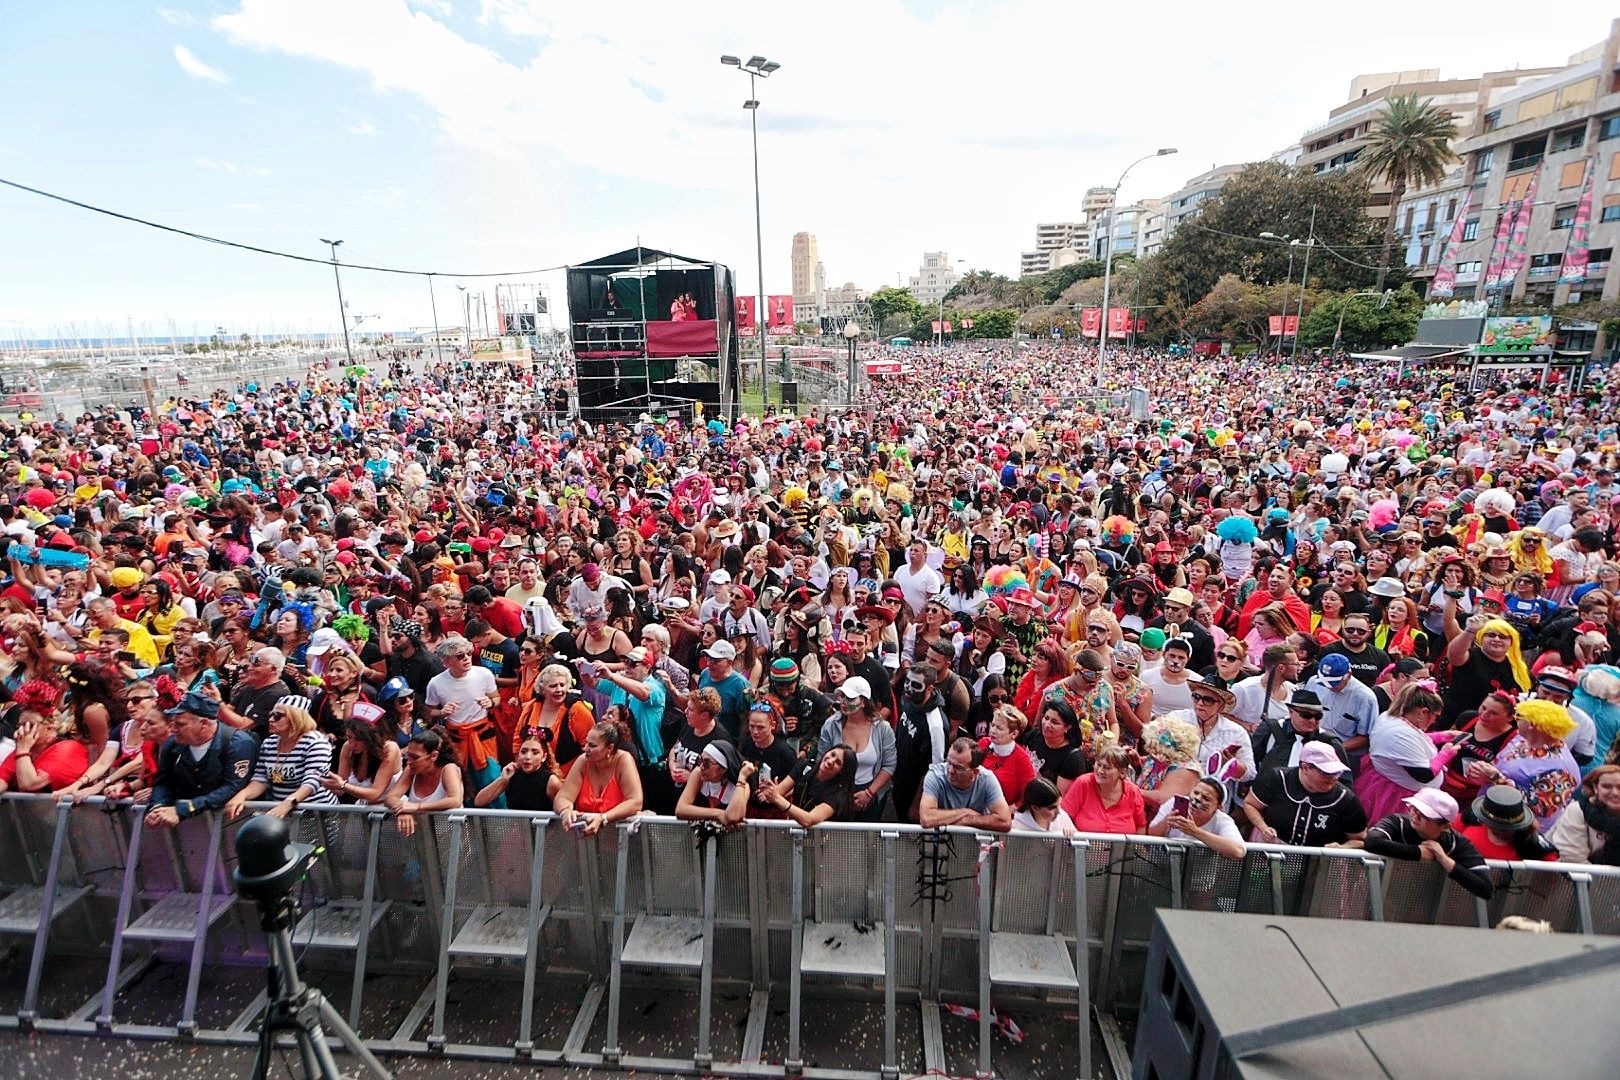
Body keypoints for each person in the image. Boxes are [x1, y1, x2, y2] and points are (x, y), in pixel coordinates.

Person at [145, 690, 257, 828]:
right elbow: (163, 781)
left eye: (180, 724)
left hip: (231, 824)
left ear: (203, 723)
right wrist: (157, 807)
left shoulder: (237, 743)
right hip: (186, 828)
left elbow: (232, 787)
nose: (173, 729)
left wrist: (184, 810)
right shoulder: (172, 743)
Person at [1362, 788, 1494, 900]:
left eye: (1424, 815)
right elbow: (1372, 842)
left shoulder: (1456, 842)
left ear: (1445, 826)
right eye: (1413, 809)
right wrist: (1418, 852)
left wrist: (1445, 860)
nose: (1415, 816)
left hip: (1423, 900)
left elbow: (1486, 889)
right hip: (1380, 892)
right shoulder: (1398, 822)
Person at [225, 696, 338, 821]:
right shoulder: (270, 742)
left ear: (295, 718)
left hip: (317, 815)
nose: (271, 719)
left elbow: (312, 781)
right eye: (271, 715)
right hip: (282, 812)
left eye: (278, 716)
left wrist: (288, 803)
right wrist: (242, 795)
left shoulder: (315, 742)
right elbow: (261, 779)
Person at [1243, 742, 1368, 847]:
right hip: (1270, 853)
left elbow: (1360, 839)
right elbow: (1250, 804)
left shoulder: (1346, 799)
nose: (1333, 778)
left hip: (1318, 864)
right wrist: (1262, 827)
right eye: (1326, 773)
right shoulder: (1277, 778)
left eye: (1336, 773)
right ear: (1305, 767)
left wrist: (1342, 848)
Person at [1354, 684, 1446, 823]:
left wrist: (1442, 736)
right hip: (1396, 796)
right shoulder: (1400, 734)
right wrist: (1446, 753)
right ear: (1423, 712)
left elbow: (1415, 740)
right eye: (1435, 716)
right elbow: (1424, 775)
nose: (1435, 721)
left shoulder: (1391, 717)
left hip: (1391, 784)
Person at [424, 636, 502, 800]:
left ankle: (498, 822)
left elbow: (496, 698)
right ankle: (468, 822)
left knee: (492, 781)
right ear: (446, 662)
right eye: (460, 656)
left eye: (468, 653)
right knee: (464, 784)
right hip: (456, 739)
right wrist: (442, 712)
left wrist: (490, 702)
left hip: (483, 737)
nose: (466, 658)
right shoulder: (435, 683)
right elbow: (428, 712)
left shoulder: (484, 674)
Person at [1493, 698, 1582, 832]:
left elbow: (1542, 808)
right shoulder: (1523, 739)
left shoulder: (1563, 769)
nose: (1516, 720)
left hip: (1517, 832)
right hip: (1493, 813)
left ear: (1532, 724)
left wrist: (1495, 779)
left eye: (1520, 716)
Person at [817, 676, 897, 821]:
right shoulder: (831, 725)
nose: (844, 702)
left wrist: (869, 793)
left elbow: (889, 765)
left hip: (870, 792)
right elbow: (821, 758)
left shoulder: (882, 729)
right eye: (842, 696)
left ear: (863, 702)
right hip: (835, 791)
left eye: (850, 698)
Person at [554, 721, 645, 835]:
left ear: (610, 748)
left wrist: (603, 818)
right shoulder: (583, 761)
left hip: (621, 838)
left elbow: (635, 801)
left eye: (592, 745)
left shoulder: (624, 760)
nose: (585, 749)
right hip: (586, 840)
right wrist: (565, 811)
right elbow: (562, 797)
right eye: (586, 743)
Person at [918, 737, 1013, 832]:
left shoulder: (986, 779)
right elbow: (927, 818)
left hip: (972, 843)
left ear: (974, 772)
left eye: (958, 767)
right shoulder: (935, 775)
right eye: (949, 762)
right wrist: (964, 812)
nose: (950, 770)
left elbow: (1005, 821)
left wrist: (968, 820)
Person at [384, 727, 466, 837]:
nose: (409, 762)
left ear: (433, 756)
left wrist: (417, 807)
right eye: (408, 756)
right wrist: (402, 810)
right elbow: (391, 797)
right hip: (422, 840)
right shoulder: (411, 770)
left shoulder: (449, 769)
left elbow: (455, 800)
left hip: (451, 839)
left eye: (415, 757)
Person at [1252, 687, 1351, 778]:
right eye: (1306, 715)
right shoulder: (1270, 730)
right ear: (1291, 711)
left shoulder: (1329, 742)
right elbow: (1252, 761)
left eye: (1318, 716)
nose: (1312, 721)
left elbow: (1344, 779)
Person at [757, 743, 857, 827]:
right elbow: (778, 792)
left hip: (822, 839)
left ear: (841, 771)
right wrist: (769, 790)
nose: (830, 761)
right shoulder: (806, 765)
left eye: (838, 762)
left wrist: (776, 798)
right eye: (832, 754)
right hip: (795, 829)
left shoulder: (838, 794)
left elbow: (808, 820)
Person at [1148, 776, 1246, 859]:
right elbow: (1151, 834)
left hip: (1198, 878)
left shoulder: (1222, 820)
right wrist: (1166, 822)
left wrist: (1195, 831)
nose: (1198, 799)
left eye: (1206, 798)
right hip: (1160, 869)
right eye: (1196, 793)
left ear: (1218, 807)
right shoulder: (1174, 803)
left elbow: (1238, 851)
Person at [1059, 742, 1145, 834]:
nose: (1100, 771)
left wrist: (1135, 847)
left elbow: (1141, 826)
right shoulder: (1083, 783)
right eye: (1098, 764)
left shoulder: (1133, 792)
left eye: (1107, 768)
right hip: (1084, 847)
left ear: (1122, 772)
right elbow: (1063, 816)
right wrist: (1070, 829)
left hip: (1122, 848)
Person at [1458, 785, 1558, 861]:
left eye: (1505, 827)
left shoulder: (1534, 846)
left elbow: (1551, 879)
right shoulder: (1470, 818)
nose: (1501, 830)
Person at [1547, 764, 1620, 864]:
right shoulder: (1577, 810)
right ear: (1595, 788)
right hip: (1561, 875)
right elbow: (1573, 860)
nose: (1615, 793)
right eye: (1606, 786)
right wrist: (1607, 879)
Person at [323, 715, 403, 805]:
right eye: (349, 737)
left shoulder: (389, 749)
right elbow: (340, 790)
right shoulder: (347, 747)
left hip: (391, 809)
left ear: (371, 737)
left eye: (358, 739)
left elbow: (375, 793)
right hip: (362, 808)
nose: (352, 744)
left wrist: (342, 785)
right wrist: (327, 782)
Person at [476, 729, 560, 811]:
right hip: (516, 824)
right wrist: (503, 779)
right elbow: (479, 801)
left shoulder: (551, 781)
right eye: (523, 752)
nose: (527, 757)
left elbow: (561, 811)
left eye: (535, 752)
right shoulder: (512, 775)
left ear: (544, 757)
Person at [676, 739, 752, 829]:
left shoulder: (741, 785)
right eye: (700, 760)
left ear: (723, 769)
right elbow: (680, 809)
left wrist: (742, 777)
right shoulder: (698, 773)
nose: (701, 766)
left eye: (707, 763)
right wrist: (719, 814)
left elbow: (733, 816)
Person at [1018, 698, 1087, 795]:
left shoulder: (1073, 759)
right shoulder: (1034, 735)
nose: (1047, 724)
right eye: (1046, 718)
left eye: (1054, 722)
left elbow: (1059, 797)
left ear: (1067, 727)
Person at [978, 702, 1038, 808]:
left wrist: (1011, 809)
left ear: (1014, 734)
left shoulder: (1022, 759)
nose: (993, 731)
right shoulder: (983, 743)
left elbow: (1028, 796)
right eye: (992, 725)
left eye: (999, 728)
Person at [1013, 777, 1079, 836]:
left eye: (1059, 805)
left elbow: (1078, 841)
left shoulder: (1063, 816)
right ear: (1035, 808)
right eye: (1052, 808)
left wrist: (1072, 835)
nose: (1058, 812)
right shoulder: (1016, 826)